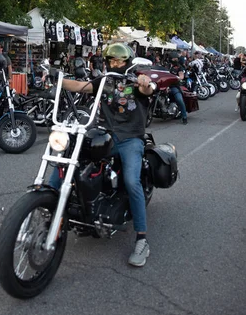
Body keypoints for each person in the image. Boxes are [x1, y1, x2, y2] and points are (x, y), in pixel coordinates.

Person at [50, 42, 154, 267]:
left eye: (120, 61)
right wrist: (56, 78)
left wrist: (145, 83)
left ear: (128, 62)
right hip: (104, 135)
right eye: (112, 61)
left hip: (129, 139)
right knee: (68, 159)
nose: (116, 64)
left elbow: (148, 89)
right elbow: (80, 86)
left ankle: (142, 239)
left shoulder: (136, 80)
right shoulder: (104, 81)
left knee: (131, 181)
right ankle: (46, 204)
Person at [167, 53, 188, 125]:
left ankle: (184, 116)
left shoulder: (179, 67)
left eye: (176, 59)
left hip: (174, 86)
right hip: (163, 86)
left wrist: (178, 77)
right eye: (173, 59)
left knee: (179, 99)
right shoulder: (167, 66)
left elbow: (181, 76)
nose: (175, 60)